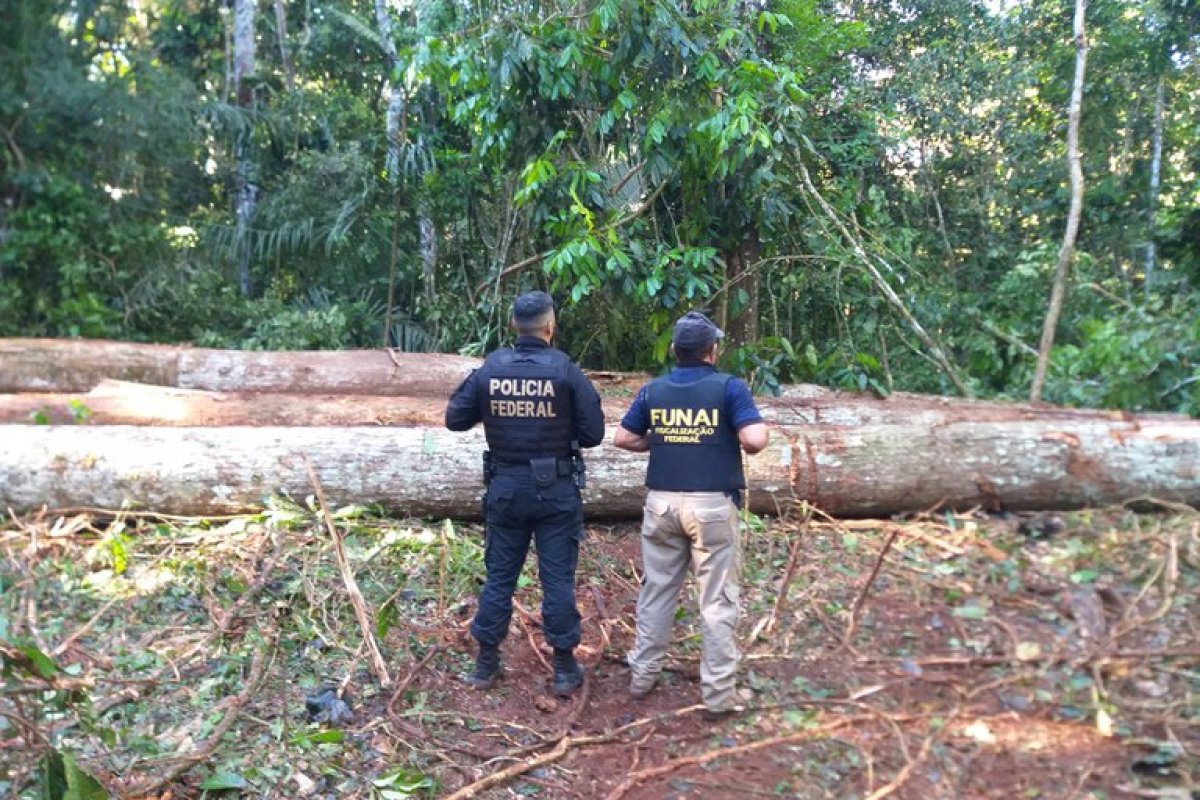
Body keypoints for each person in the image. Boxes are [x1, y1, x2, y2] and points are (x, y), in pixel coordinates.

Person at [445, 290, 605, 696]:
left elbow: (455, 417)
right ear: (550, 326)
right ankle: (564, 669)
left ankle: (485, 664)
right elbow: (594, 433)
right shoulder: (565, 369)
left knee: (500, 576)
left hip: (506, 490)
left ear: (513, 325)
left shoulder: (491, 368)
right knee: (557, 579)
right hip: (556, 491)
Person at [613, 310, 769, 714]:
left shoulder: (654, 390)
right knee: (716, 600)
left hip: (661, 504)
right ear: (711, 351)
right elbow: (754, 440)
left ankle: (643, 675)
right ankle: (718, 695)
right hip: (711, 507)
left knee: (657, 590)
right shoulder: (729, 388)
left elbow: (623, 438)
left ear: (674, 350)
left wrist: (662, 439)